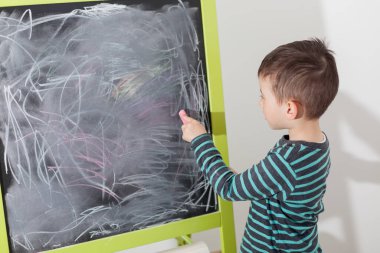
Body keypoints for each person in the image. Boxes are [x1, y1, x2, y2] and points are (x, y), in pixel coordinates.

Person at [179, 38, 339, 253]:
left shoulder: (287, 161)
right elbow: (274, 189)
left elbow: (229, 189)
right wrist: (241, 179)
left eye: (263, 96)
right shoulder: (318, 144)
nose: (259, 102)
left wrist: (200, 140)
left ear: (290, 109)